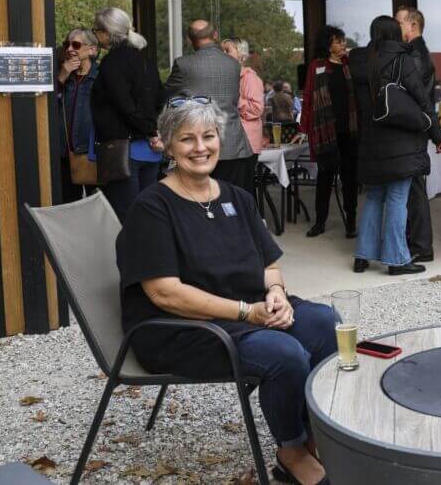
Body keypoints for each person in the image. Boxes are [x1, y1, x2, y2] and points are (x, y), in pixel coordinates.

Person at [116, 98, 335, 485]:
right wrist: (247, 312)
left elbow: (269, 266)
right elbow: (165, 294)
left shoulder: (237, 198)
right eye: (187, 139)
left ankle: (318, 437)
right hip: (182, 328)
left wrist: (277, 294)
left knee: (325, 323)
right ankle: (292, 451)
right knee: (284, 353)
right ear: (168, 145)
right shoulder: (152, 208)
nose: (200, 147)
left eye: (208, 136)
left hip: (246, 312)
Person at [350, 16, 441, 275]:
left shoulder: (361, 62)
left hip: (371, 143)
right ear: (394, 34)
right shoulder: (401, 59)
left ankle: (362, 256)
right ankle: (397, 260)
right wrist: (437, 135)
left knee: (374, 197)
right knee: (397, 198)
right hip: (401, 143)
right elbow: (423, 100)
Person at [90, 8, 164, 223]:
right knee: (149, 215)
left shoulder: (111, 63)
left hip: (123, 151)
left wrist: (149, 130)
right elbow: (160, 97)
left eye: (96, 31)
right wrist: (154, 130)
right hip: (150, 151)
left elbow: (124, 105)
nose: (95, 35)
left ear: (107, 32)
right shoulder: (145, 60)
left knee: (125, 218)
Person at [164, 20, 254, 194]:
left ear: (190, 40)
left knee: (201, 200)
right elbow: (233, 99)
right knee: (232, 200)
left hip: (199, 147)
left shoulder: (183, 65)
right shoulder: (233, 65)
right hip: (233, 144)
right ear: (215, 35)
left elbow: (166, 97)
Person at [299, 26, 359, 238]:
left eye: (343, 41)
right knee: (325, 177)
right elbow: (308, 98)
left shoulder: (349, 64)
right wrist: (304, 128)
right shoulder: (317, 66)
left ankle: (351, 222)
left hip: (349, 132)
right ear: (328, 45)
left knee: (350, 178)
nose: (343, 44)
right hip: (326, 132)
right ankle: (320, 222)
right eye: (338, 41)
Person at [397, 6, 437, 263]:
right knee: (412, 187)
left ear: (412, 25)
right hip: (416, 127)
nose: (396, 27)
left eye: (399, 23)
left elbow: (412, 94)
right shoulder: (415, 52)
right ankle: (417, 243)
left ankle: (421, 246)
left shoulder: (416, 55)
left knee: (415, 189)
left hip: (413, 129)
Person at [57, 27, 100, 202]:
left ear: (92, 50)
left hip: (92, 152)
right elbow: (45, 108)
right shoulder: (62, 75)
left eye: (75, 45)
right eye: (67, 44)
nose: (69, 49)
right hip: (65, 153)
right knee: (67, 204)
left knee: (97, 203)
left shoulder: (100, 77)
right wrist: (61, 77)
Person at [222, 37, 265, 161]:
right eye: (221, 51)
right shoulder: (226, 78)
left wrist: (234, 98)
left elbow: (257, 109)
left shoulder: (249, 78)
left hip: (246, 144)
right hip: (229, 142)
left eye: (227, 50)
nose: (223, 54)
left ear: (242, 56)